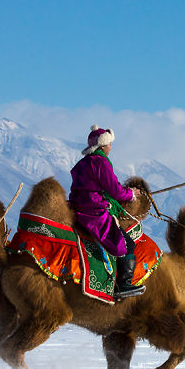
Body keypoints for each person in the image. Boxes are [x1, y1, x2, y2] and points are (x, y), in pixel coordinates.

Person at [70, 125, 145, 298]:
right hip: (94, 212)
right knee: (127, 244)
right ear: (103, 146)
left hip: (78, 208)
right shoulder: (101, 162)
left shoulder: (82, 164)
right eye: (110, 144)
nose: (111, 147)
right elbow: (115, 191)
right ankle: (122, 286)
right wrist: (131, 194)